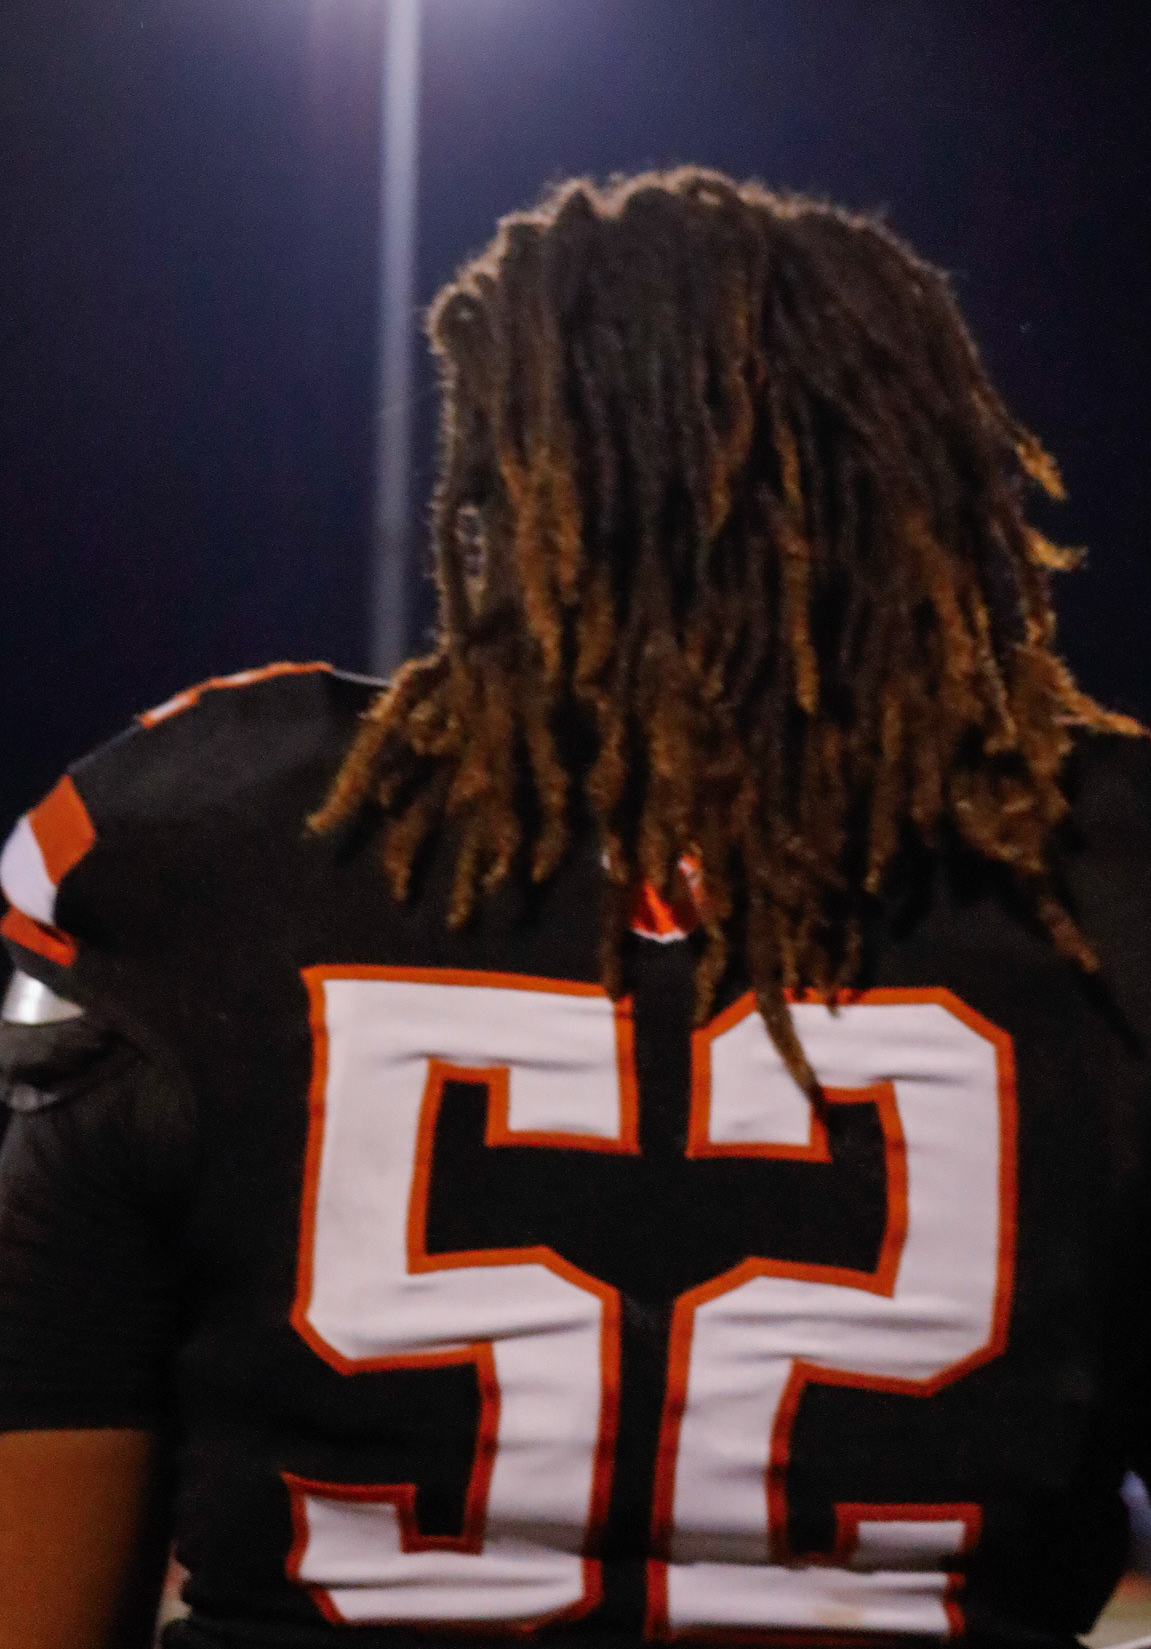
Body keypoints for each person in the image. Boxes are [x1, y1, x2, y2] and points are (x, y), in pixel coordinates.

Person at [1, 166, 1150, 1649]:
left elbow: (36, 1564)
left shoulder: (203, 841)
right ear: (920, 481)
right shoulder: (1098, 878)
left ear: (511, 467)